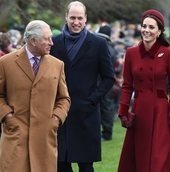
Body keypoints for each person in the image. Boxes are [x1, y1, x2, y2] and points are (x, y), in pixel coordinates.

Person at [50, 1, 115, 172]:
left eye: (80, 18)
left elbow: (109, 77)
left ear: (86, 19)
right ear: (66, 17)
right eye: (72, 18)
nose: (76, 22)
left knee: (86, 166)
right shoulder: (54, 44)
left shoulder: (98, 44)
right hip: (60, 114)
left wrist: (92, 100)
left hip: (86, 113)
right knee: (61, 165)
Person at [0, 20, 71, 172]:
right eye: (47, 39)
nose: (52, 43)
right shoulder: (5, 63)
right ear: (33, 40)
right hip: (16, 138)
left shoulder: (58, 65)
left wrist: (56, 119)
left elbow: (64, 99)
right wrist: (8, 117)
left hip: (45, 139)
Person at [117, 9, 170, 172]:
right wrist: (123, 111)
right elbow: (127, 86)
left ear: (159, 31)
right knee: (138, 159)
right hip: (139, 111)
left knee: (158, 160)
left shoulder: (168, 53)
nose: (146, 30)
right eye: (144, 26)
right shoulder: (131, 53)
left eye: (151, 27)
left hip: (161, 112)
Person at [96, 24, 120, 140]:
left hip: (101, 81)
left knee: (105, 107)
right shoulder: (112, 49)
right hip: (108, 82)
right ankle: (106, 132)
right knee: (106, 106)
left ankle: (106, 133)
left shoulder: (103, 48)